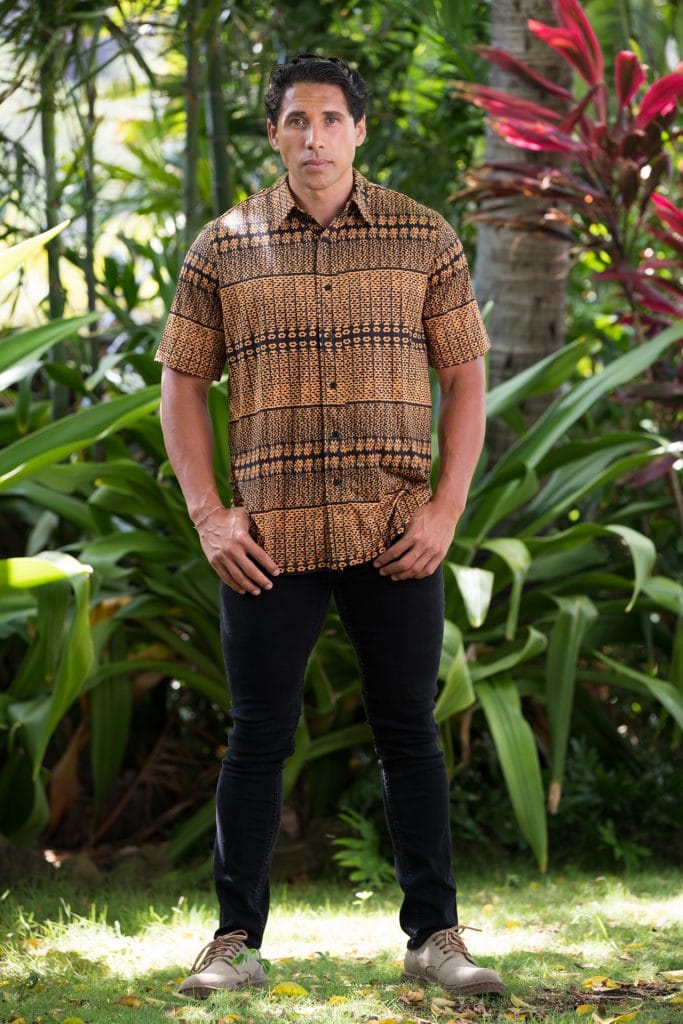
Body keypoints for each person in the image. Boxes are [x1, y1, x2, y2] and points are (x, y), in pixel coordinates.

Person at [156, 53, 505, 1001]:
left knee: (409, 735)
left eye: (331, 119)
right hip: (268, 541)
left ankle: (435, 937)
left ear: (360, 130)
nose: (314, 137)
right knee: (257, 735)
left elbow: (464, 375)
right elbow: (180, 383)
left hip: (395, 531)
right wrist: (209, 516)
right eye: (296, 121)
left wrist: (445, 509)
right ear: (273, 133)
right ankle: (235, 942)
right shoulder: (222, 247)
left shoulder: (420, 237)